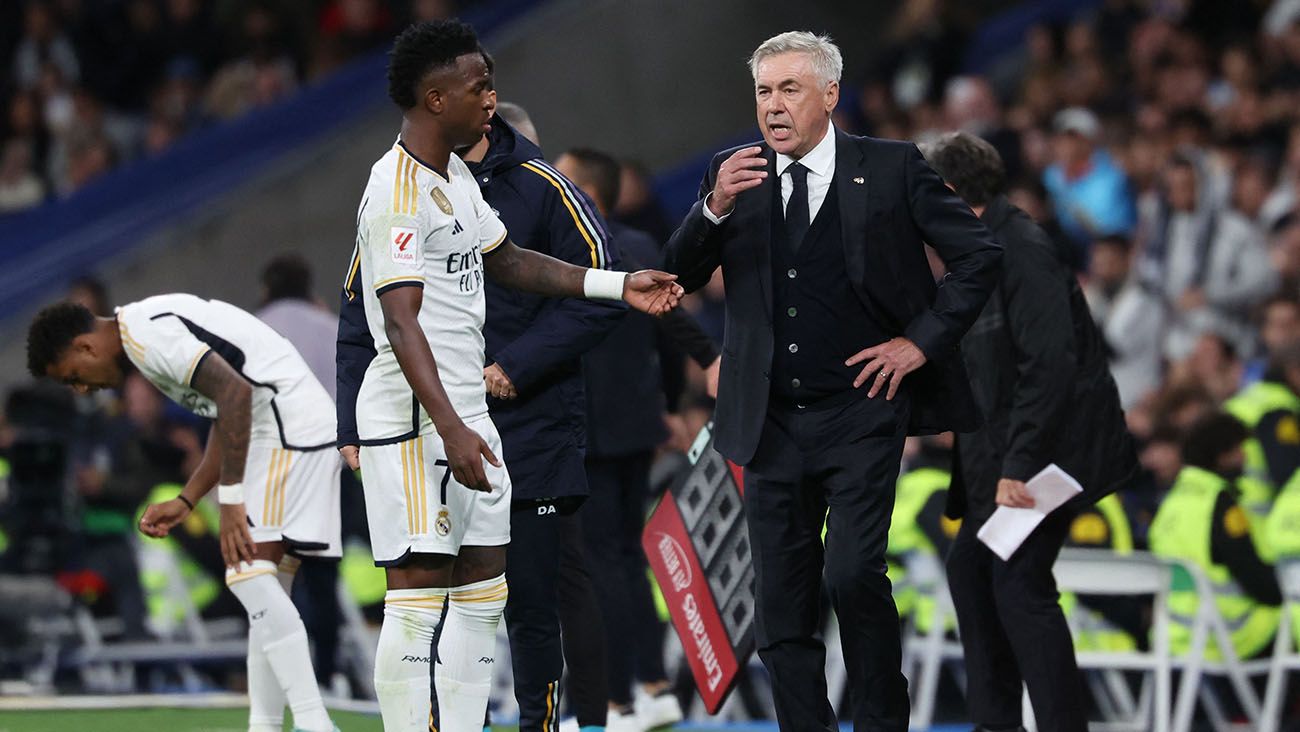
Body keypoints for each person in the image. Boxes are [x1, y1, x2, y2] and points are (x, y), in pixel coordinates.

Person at [335, 20, 681, 732]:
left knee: (483, 597)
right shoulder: (393, 189)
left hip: (467, 414)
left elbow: (512, 260)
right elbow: (399, 322)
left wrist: (618, 287)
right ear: (436, 99)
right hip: (412, 420)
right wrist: (454, 429)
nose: (492, 97)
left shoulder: (456, 178)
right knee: (417, 598)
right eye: (478, 86)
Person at [663, 32, 1002, 732]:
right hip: (768, 423)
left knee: (852, 575)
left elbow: (978, 256)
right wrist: (713, 210)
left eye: (789, 89)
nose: (773, 106)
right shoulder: (735, 176)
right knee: (781, 608)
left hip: (861, 415)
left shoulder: (891, 167)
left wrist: (920, 344)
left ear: (829, 96)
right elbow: (679, 277)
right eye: (763, 91)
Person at [26, 294, 342, 732]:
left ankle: (313, 722)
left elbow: (236, 394)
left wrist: (229, 504)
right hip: (288, 424)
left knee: (246, 574)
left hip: (286, 427)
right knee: (264, 590)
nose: (84, 389)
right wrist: (189, 498)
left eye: (76, 377)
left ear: (85, 347)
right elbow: (223, 411)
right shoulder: (142, 334)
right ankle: (265, 725)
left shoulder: (146, 336)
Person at [921, 131, 1139, 732]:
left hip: (1053, 455)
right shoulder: (974, 251)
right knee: (970, 569)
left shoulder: (1020, 248)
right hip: (1011, 452)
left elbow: (1050, 368)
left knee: (1017, 582)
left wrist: (1017, 466)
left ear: (947, 192)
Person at [556, 146, 723, 731]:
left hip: (592, 428)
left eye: (561, 175)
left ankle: (616, 700)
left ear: (587, 190)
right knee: (629, 558)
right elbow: (669, 332)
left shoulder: (568, 248)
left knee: (600, 563)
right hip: (637, 423)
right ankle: (653, 686)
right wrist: (675, 405)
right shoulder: (643, 247)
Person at [256, 253, 348, 689]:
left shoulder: (257, 327)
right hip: (328, 462)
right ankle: (326, 670)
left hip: (275, 466)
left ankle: (278, 673)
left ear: (267, 287)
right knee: (322, 573)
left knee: (272, 573)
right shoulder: (329, 328)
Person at [1150, 413, 1281, 661]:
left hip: (1177, 636)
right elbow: (1257, 581)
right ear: (1221, 456)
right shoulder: (1220, 506)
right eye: (1239, 450)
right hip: (1228, 635)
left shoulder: (1171, 502)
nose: (1245, 457)